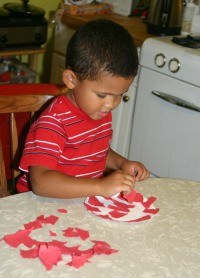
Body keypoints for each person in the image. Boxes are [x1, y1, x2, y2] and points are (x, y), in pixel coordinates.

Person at [17, 19, 149, 199]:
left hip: (81, 201)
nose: (111, 104)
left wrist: (121, 163)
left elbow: (95, 150)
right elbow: (41, 183)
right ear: (71, 80)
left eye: (119, 94)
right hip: (44, 204)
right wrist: (100, 186)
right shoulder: (53, 123)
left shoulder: (97, 111)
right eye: (102, 95)